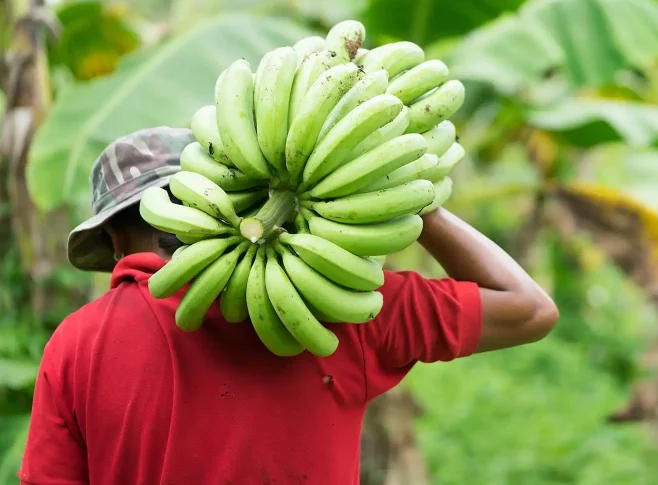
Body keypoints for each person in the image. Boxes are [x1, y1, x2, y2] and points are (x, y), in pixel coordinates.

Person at [18, 126, 559, 484]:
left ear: (111, 240)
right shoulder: (342, 305)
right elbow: (530, 308)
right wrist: (411, 196)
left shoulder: (73, 346)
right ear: (226, 197)